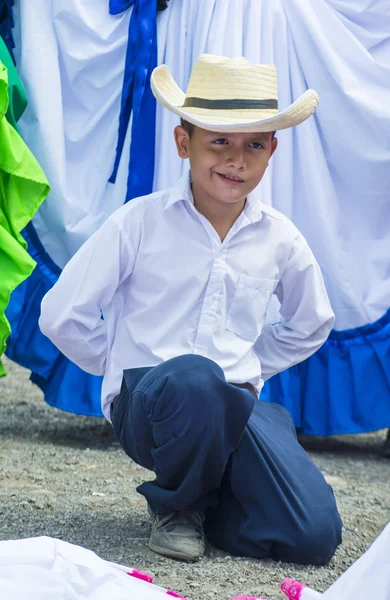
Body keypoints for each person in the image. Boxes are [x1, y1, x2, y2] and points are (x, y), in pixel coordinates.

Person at [39, 54, 342, 565]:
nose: (236, 160)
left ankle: (212, 502)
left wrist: (251, 370)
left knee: (314, 536)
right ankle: (177, 506)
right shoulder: (139, 223)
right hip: (151, 408)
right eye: (218, 141)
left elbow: (312, 323)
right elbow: (61, 314)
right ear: (184, 144)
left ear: (272, 151)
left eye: (254, 144)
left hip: (230, 405)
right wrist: (119, 365)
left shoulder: (281, 239)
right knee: (195, 379)